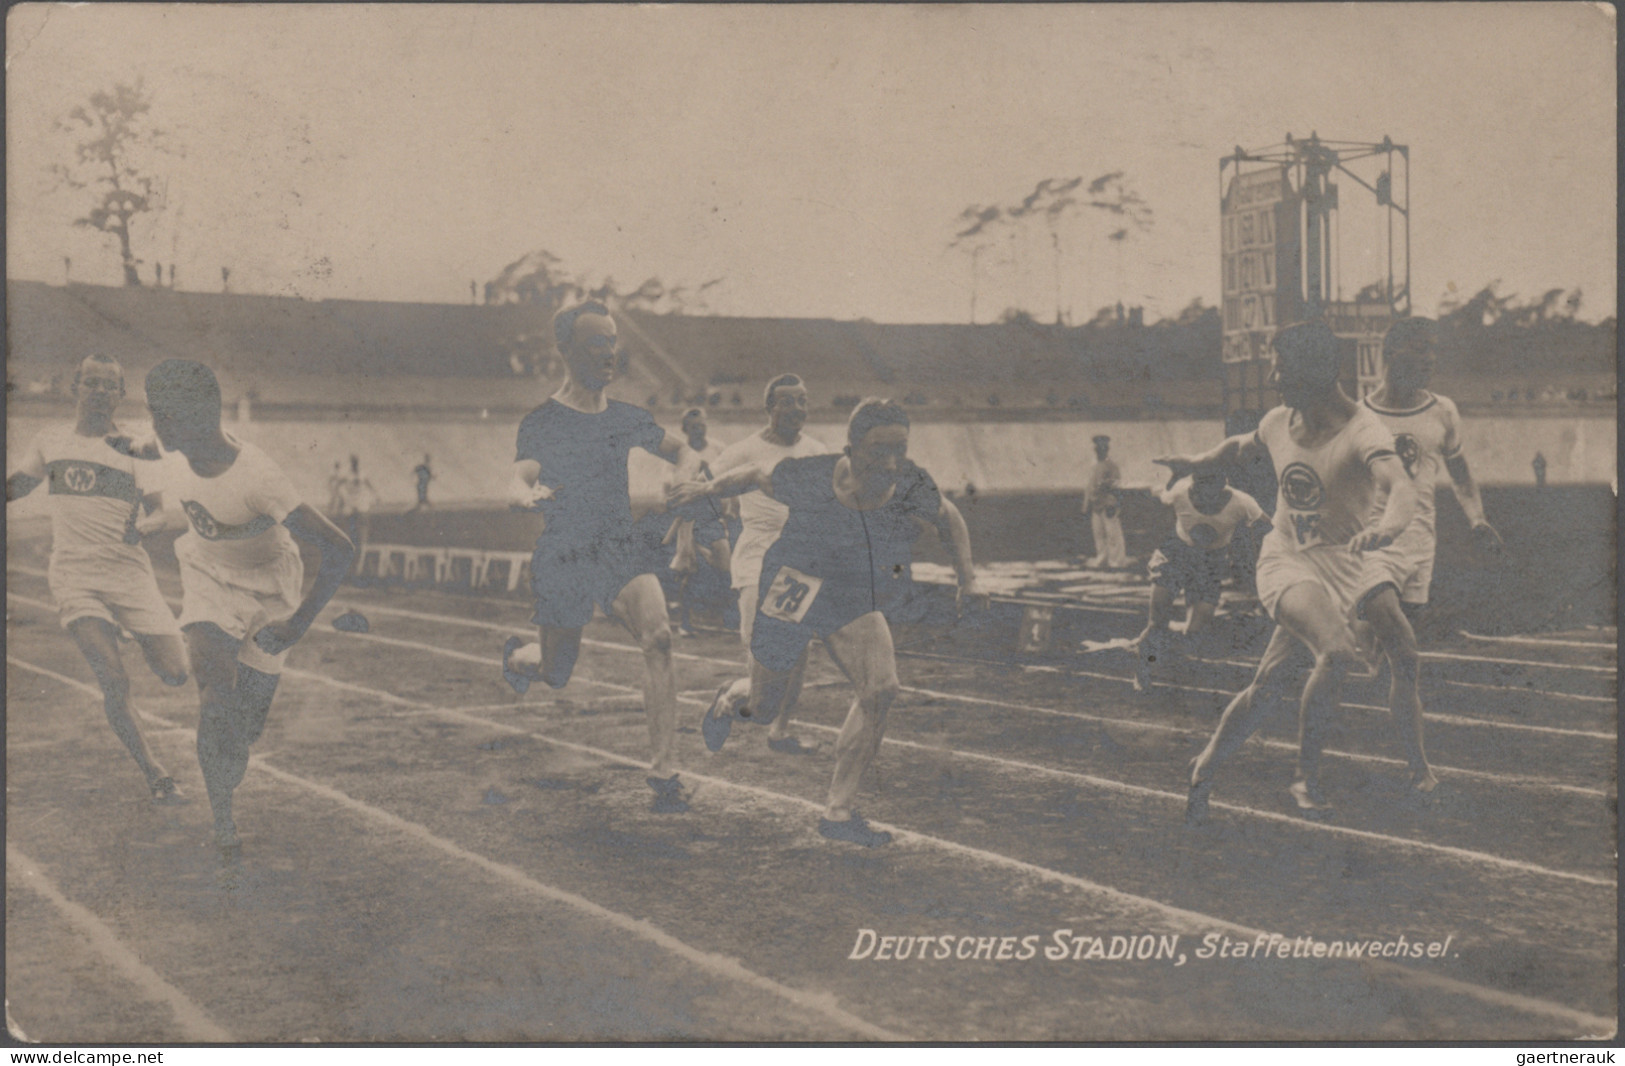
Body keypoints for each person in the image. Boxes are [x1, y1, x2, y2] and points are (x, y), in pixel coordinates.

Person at [670, 398, 986, 846]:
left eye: (900, 448)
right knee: (763, 709)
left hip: (850, 590)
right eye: (879, 450)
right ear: (851, 449)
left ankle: (838, 813)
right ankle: (729, 699)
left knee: (881, 688)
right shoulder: (812, 474)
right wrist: (705, 491)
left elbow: (948, 517)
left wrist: (968, 581)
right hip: (793, 584)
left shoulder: (912, 482)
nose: (891, 462)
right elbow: (754, 476)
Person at [1155, 321, 1419, 819]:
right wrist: (1194, 461)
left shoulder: (1365, 431)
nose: (1274, 377)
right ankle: (1305, 780)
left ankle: (1204, 765)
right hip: (1285, 559)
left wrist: (1389, 529)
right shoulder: (1279, 421)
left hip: (1339, 568)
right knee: (1338, 653)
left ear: (1320, 371)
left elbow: (1400, 485)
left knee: (1268, 685)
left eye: (1283, 368)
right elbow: (1237, 447)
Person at [135, 359, 355, 859]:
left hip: (270, 589)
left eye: (165, 418)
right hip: (207, 577)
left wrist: (298, 624)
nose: (158, 428)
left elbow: (340, 547)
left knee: (244, 728)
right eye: (156, 416)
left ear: (202, 416)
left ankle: (229, 762)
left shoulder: (259, 478)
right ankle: (222, 818)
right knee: (214, 697)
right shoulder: (168, 447)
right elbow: (143, 445)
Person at [498, 302, 697, 812]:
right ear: (566, 350)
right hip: (566, 552)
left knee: (659, 638)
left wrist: (683, 476)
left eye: (612, 340)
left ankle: (665, 774)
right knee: (557, 672)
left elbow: (684, 452)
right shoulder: (544, 421)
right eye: (596, 342)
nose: (609, 352)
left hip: (616, 546)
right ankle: (520, 657)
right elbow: (521, 474)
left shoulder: (626, 418)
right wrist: (525, 496)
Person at [7, 353, 189, 801]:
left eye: (110, 385)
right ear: (75, 387)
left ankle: (126, 625)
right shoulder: (50, 441)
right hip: (74, 576)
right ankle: (156, 773)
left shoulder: (135, 447)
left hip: (128, 573)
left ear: (121, 394)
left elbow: (164, 512)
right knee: (114, 679)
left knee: (176, 673)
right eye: (92, 383)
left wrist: (147, 526)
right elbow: (16, 487)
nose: (100, 392)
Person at [703, 374, 830, 754]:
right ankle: (730, 699)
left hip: (800, 559)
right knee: (764, 659)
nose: (797, 410)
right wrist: (690, 542)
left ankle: (781, 731)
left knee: (797, 651)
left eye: (803, 401)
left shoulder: (816, 451)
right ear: (770, 408)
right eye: (788, 402)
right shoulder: (744, 451)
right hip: (757, 554)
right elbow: (704, 487)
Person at [1131, 470, 1267, 692]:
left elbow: (1269, 525)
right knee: (1156, 622)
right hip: (1176, 556)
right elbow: (1161, 499)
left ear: (1223, 487)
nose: (1203, 499)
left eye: (1210, 492)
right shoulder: (1180, 492)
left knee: (1196, 632)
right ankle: (1143, 669)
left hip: (1210, 563)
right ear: (1192, 487)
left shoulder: (1243, 502)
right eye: (1198, 493)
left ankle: (1162, 644)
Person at [663, 408, 733, 636]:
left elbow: (730, 478)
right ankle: (685, 623)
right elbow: (668, 487)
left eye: (702, 425)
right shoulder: (677, 453)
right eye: (694, 426)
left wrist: (730, 506)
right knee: (688, 569)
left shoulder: (718, 449)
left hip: (713, 515)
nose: (699, 430)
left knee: (724, 563)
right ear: (685, 429)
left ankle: (723, 615)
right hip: (689, 517)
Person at [1082, 434, 1129, 569]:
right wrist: (1086, 506)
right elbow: (1089, 487)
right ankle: (1102, 559)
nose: (1099, 451)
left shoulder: (1111, 466)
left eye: (1102, 448)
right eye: (1097, 448)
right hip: (1095, 505)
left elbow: (1115, 486)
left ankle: (1116, 562)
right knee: (1099, 534)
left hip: (1108, 505)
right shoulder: (1094, 466)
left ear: (1107, 450)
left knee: (1113, 534)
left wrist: (1112, 504)